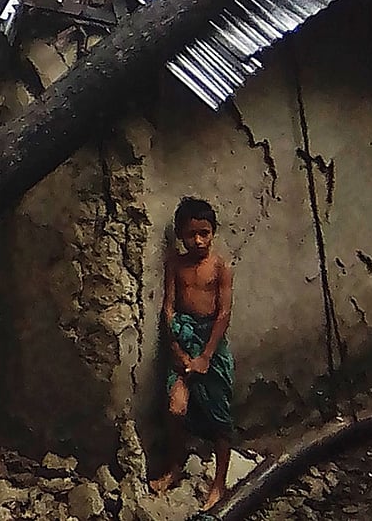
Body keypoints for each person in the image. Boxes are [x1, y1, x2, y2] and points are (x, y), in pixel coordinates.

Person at [149, 197, 235, 510]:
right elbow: (169, 308)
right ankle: (175, 467)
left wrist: (207, 355)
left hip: (210, 343)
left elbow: (223, 314)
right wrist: (176, 348)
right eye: (191, 234)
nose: (198, 240)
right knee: (175, 409)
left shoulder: (220, 267)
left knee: (219, 417)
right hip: (183, 340)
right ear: (181, 236)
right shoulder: (176, 264)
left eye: (204, 233)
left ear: (213, 232)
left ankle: (219, 482)